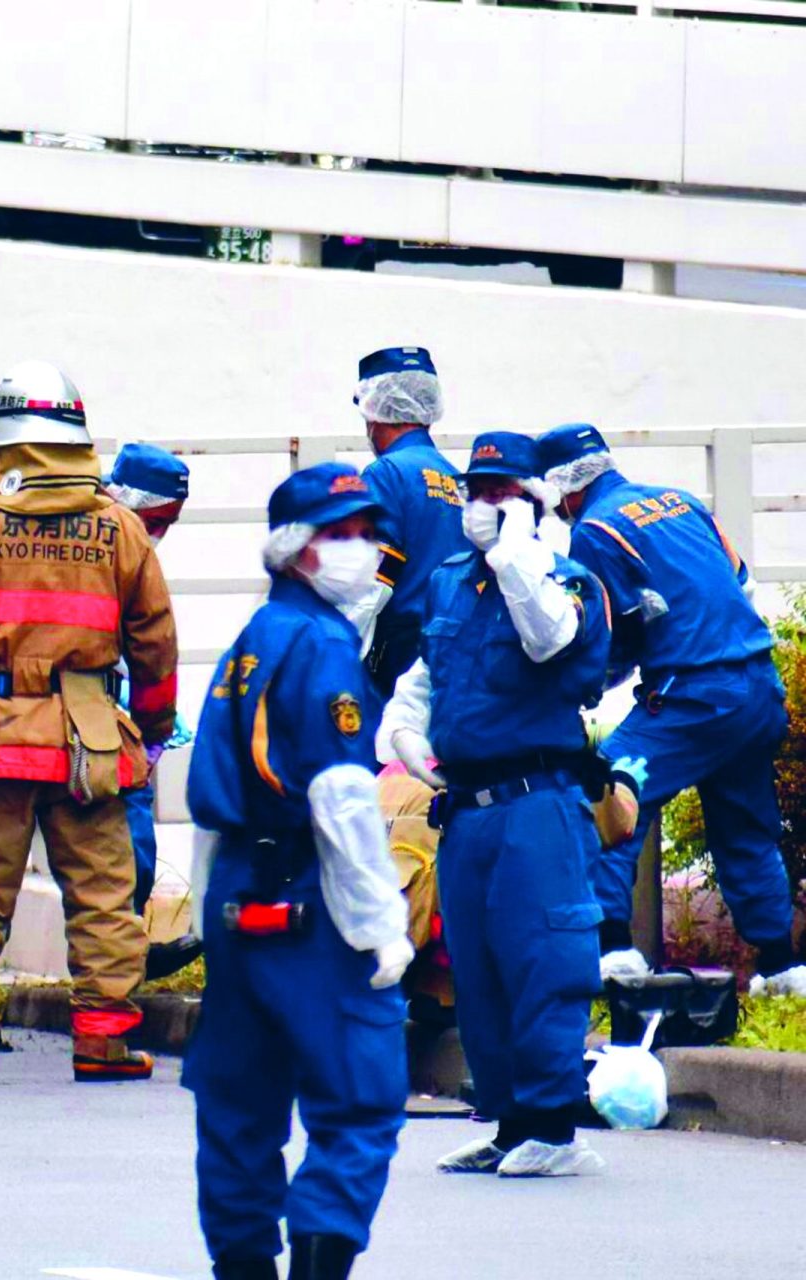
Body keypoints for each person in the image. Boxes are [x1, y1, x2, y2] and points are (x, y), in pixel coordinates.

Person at [0, 362, 178, 1085]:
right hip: (91, 741)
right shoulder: (120, 529)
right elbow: (155, 641)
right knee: (105, 897)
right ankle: (105, 1041)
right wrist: (149, 724)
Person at [183, 461, 414, 1280]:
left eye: (364, 534)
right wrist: (380, 923)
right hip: (307, 894)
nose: (358, 551)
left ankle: (242, 1266)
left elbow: (207, 790)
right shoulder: (320, 645)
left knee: (239, 1105)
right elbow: (343, 796)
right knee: (360, 1101)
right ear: (295, 549)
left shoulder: (254, 638)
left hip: (238, 891)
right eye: (338, 535)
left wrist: (197, 913)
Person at [379, 432, 612, 1178]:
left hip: (535, 803)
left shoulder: (569, 580)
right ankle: (511, 1122)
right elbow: (428, 669)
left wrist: (518, 552)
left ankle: (552, 1126)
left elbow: (550, 641)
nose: (484, 505)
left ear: (535, 500)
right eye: (476, 491)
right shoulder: (452, 580)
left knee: (543, 960)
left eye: (502, 492)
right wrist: (406, 724)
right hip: (468, 809)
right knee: (476, 972)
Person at [537, 423, 806, 995]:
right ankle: (782, 967)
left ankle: (613, 952)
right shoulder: (681, 501)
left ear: (562, 487)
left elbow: (615, 633)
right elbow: (738, 585)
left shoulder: (595, 529)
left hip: (696, 695)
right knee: (745, 826)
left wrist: (582, 687)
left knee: (608, 794)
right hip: (758, 687)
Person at [104, 442, 195, 914]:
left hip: (94, 718)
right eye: (156, 522)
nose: (159, 535)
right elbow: (151, 647)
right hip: (95, 726)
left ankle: (123, 947)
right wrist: (155, 727)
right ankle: (119, 953)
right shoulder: (120, 554)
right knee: (127, 850)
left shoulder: (121, 550)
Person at [353, 347, 465, 697]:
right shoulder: (457, 479)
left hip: (401, 668)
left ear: (373, 409)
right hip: (458, 665)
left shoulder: (385, 476)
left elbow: (369, 589)